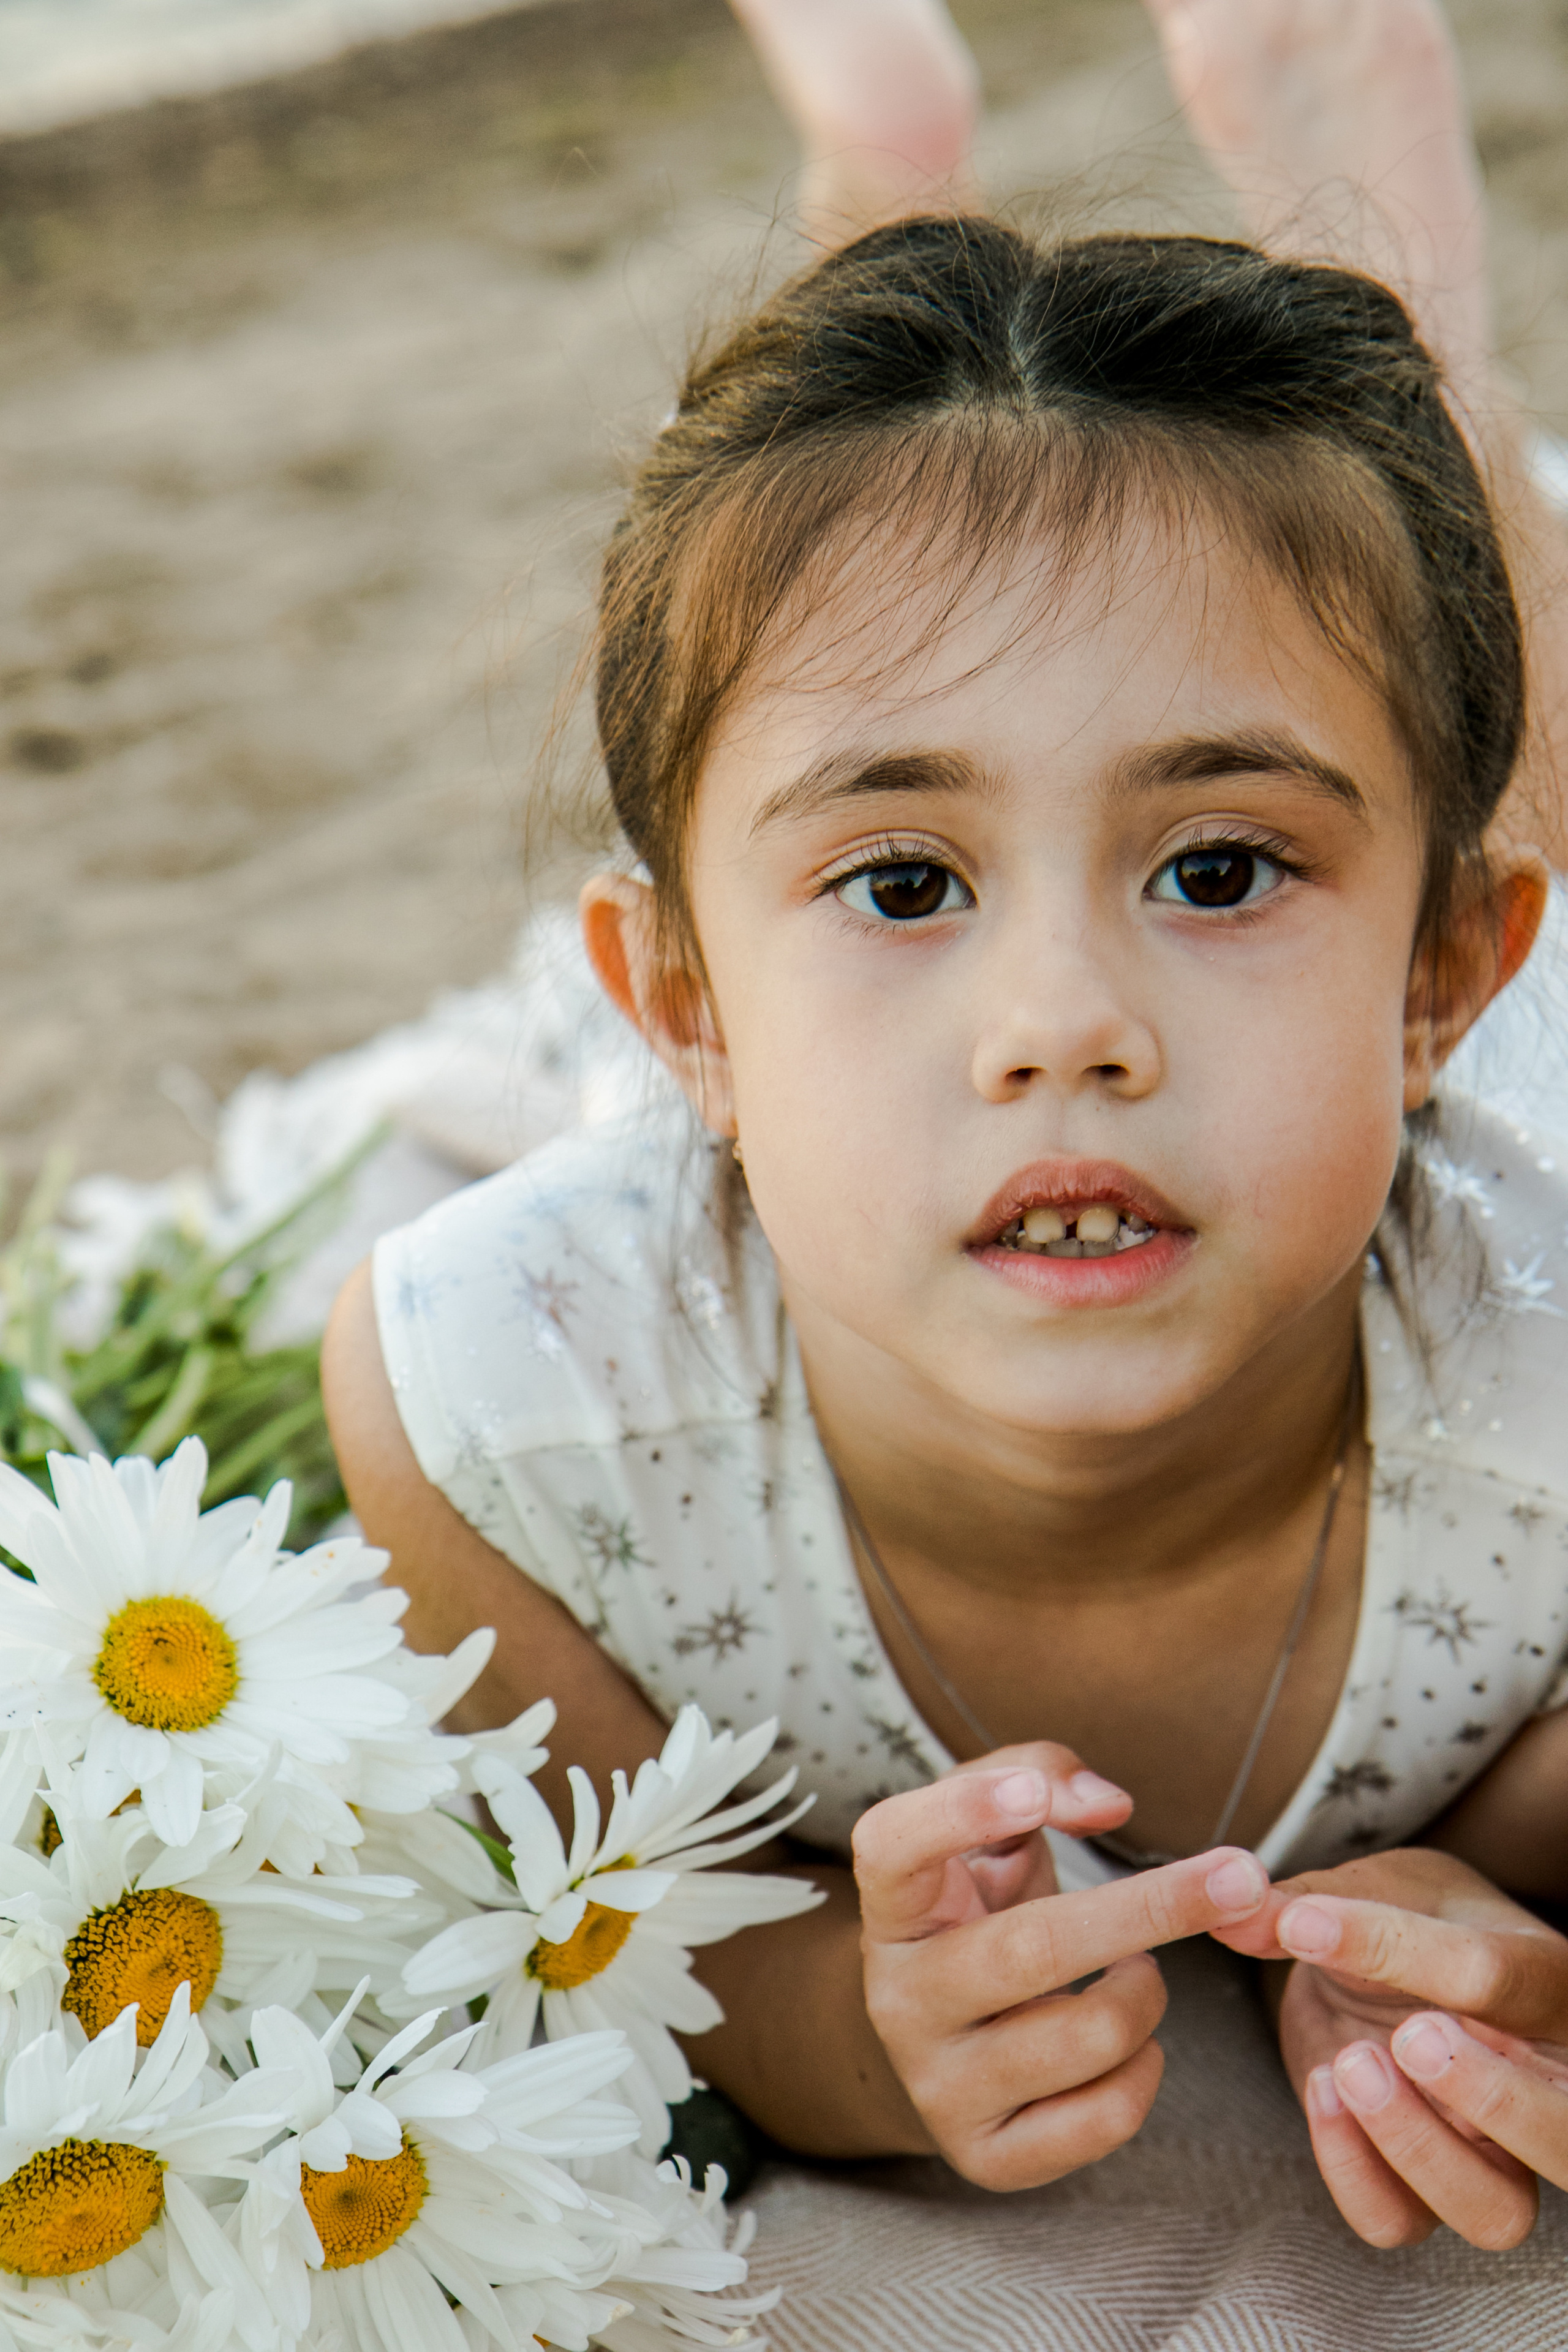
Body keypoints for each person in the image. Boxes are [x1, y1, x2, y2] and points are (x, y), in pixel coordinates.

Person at [322, 0, 1568, 2264]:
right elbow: (661, 1937)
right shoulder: (506, 1411)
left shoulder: (1549, 1396)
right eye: (906, 888)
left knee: (1472, 661)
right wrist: (854, 2032)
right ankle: (879, 162)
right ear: (678, 1009)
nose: (1063, 1033)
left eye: (1219, 873)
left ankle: (1406, 289)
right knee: (917, 564)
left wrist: (1489, 1903)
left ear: (1433, 988)